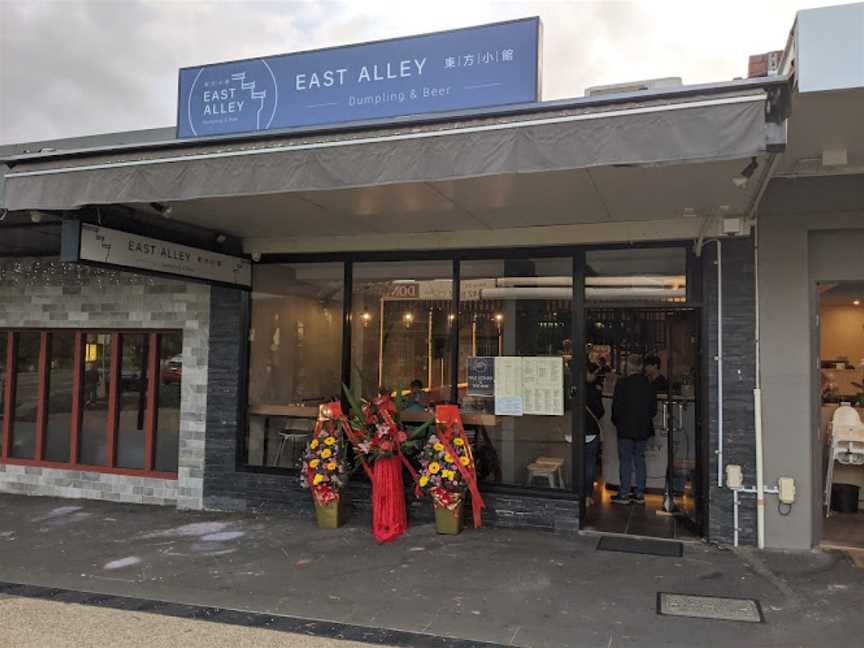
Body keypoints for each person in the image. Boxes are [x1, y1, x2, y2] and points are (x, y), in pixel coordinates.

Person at [611, 355, 656, 504]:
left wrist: (616, 422)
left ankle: (624, 494)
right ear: (641, 366)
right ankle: (640, 494)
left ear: (628, 366)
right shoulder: (648, 384)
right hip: (643, 428)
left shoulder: (622, 384)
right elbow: (653, 410)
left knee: (625, 460)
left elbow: (616, 409)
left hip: (625, 428)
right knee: (640, 459)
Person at [583, 362, 605, 507]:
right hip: (591, 431)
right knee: (590, 464)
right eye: (594, 374)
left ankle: (575, 493)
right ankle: (588, 496)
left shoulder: (571, 388)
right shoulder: (594, 391)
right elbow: (601, 412)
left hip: (573, 431)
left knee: (577, 464)